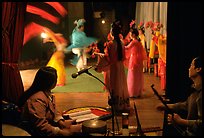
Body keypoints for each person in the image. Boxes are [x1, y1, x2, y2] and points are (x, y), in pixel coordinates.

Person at [18, 66, 82, 136]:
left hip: (47, 127)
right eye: (56, 79)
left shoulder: (47, 93)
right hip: (34, 133)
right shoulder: (37, 99)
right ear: (50, 82)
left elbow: (53, 110)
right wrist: (61, 132)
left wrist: (61, 122)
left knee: (78, 127)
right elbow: (41, 125)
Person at [156, 57, 202, 136]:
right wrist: (166, 106)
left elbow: (201, 123)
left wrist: (181, 121)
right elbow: (185, 105)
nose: (189, 68)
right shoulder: (195, 90)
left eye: (191, 65)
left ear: (198, 69)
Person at [96, 20, 130, 113]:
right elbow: (123, 57)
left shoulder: (110, 44)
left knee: (113, 85)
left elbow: (108, 57)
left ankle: (115, 106)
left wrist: (100, 55)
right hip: (120, 66)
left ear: (112, 32)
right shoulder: (122, 43)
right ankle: (122, 104)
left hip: (113, 67)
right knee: (121, 84)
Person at [124, 28, 147, 98]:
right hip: (138, 61)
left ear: (133, 34)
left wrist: (120, 44)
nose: (130, 35)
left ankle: (133, 92)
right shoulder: (138, 42)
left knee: (133, 76)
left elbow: (127, 48)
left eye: (130, 34)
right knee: (137, 76)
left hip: (134, 60)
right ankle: (137, 92)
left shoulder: (134, 42)